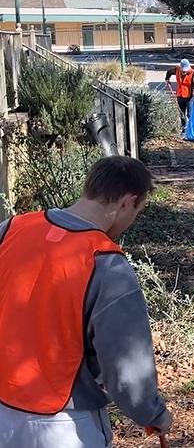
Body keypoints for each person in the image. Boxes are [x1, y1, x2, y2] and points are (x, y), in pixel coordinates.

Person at [0, 156, 173, 448]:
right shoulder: (106, 263)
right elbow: (127, 369)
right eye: (137, 211)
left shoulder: (11, 229)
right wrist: (153, 413)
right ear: (128, 202)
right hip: (65, 425)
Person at [165, 58, 194, 131]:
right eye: (183, 70)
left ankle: (192, 129)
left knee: (190, 114)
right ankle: (183, 128)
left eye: (185, 71)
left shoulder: (192, 73)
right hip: (180, 95)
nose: (184, 72)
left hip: (189, 97)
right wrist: (167, 79)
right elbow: (169, 72)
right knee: (181, 113)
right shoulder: (177, 70)